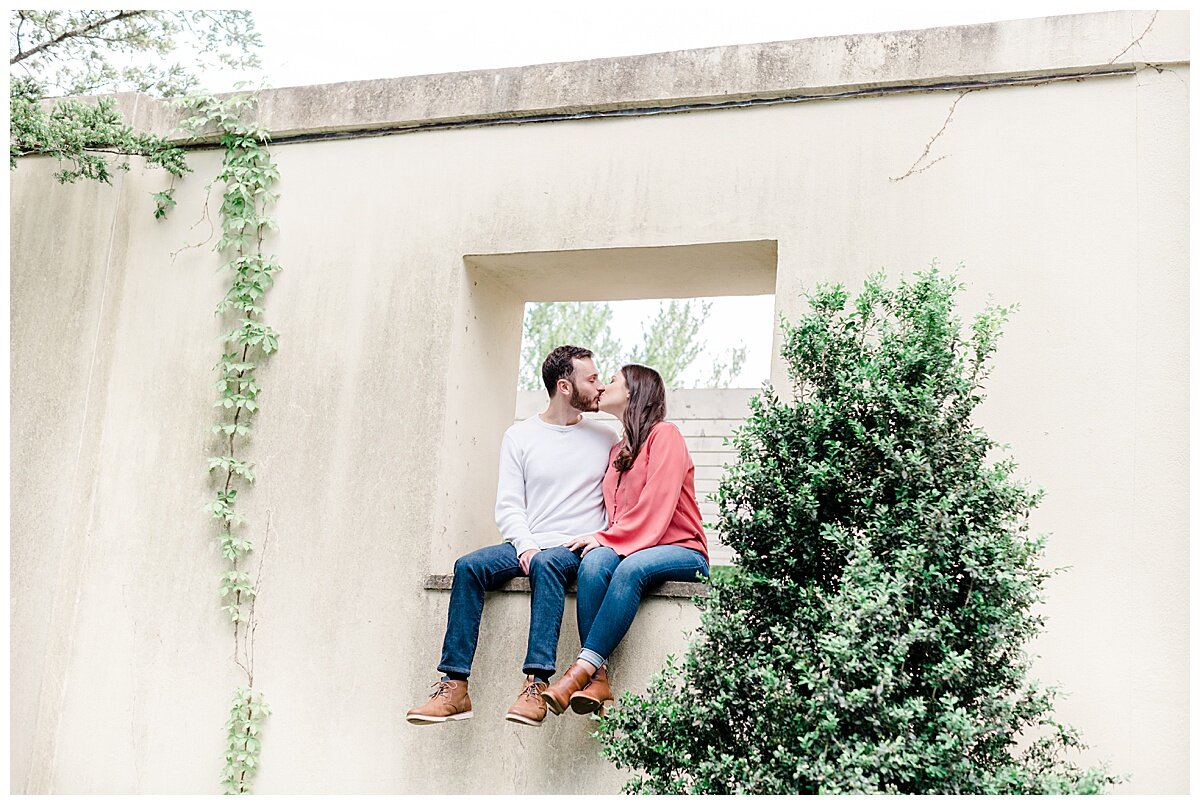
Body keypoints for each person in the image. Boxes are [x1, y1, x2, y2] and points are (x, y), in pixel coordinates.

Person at [406, 345, 620, 727]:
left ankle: (536, 684)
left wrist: (598, 538)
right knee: (469, 566)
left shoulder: (606, 438)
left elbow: (621, 499)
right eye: (592, 379)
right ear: (564, 386)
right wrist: (526, 545)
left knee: (548, 563)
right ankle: (454, 686)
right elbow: (508, 505)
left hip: (575, 546)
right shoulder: (520, 435)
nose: (600, 386)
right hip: (531, 540)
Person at [541, 364, 709, 716]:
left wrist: (605, 537)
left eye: (613, 380)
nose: (603, 387)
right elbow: (613, 514)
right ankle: (599, 680)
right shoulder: (617, 449)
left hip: (684, 550)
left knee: (629, 567)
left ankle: (579, 672)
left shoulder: (666, 436)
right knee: (595, 561)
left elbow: (656, 508)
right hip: (634, 545)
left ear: (634, 391)